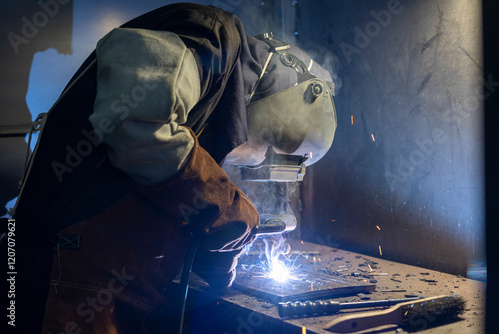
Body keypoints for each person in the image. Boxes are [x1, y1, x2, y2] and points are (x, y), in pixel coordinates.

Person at [12, 3, 337, 333]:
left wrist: (210, 245)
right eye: (269, 146)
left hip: (94, 283)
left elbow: (156, 180)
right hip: (61, 277)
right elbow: (136, 125)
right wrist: (225, 208)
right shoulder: (209, 33)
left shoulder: (213, 99)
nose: (259, 155)